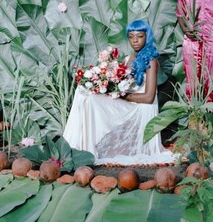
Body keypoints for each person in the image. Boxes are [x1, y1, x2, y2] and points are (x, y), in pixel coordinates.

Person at [62, 20, 176, 166]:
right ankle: (75, 147)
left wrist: (121, 96)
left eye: (140, 36)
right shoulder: (128, 59)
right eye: (131, 36)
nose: (135, 40)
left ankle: (88, 151)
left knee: (92, 100)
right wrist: (106, 85)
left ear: (147, 37)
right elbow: (121, 85)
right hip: (130, 102)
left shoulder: (151, 60)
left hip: (142, 108)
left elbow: (149, 98)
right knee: (84, 92)